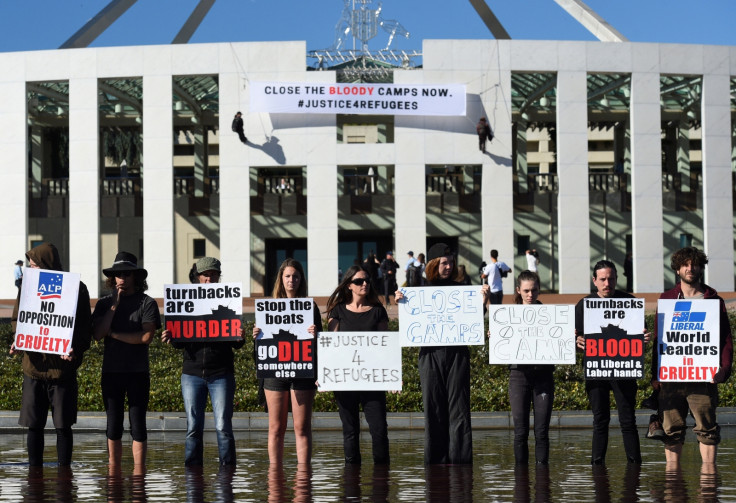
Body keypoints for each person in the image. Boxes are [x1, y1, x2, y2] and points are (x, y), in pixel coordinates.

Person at [396, 243, 490, 464]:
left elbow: (473, 320)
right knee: (433, 409)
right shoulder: (418, 290)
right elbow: (410, 322)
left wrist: (483, 301)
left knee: (459, 410)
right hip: (429, 355)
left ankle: (461, 462)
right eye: (443, 262)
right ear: (433, 264)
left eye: (451, 262)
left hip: (458, 354)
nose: (448, 266)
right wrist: (399, 301)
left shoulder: (463, 287)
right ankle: (436, 463)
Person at [9, 243, 92, 466]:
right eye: (30, 265)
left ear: (47, 265)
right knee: (34, 425)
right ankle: (34, 476)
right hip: (34, 368)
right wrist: (19, 339)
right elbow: (18, 319)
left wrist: (75, 348)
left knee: (63, 426)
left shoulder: (77, 289)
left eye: (34, 265)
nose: (31, 269)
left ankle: (65, 476)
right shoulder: (27, 286)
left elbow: (85, 329)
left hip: (62, 371)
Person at [651, 247, 732, 467]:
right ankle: (673, 483)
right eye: (685, 264)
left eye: (695, 264)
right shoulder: (667, 299)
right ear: (677, 269)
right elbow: (660, 339)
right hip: (671, 379)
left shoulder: (713, 300)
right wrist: (655, 375)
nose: (690, 268)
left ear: (701, 267)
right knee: (671, 430)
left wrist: (724, 369)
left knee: (707, 429)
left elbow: (725, 339)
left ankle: (708, 484)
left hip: (703, 379)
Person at [161, 257, 245, 466]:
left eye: (213, 274)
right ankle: (192, 475)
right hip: (192, 373)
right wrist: (171, 338)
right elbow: (180, 344)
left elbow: (236, 344)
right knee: (193, 427)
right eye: (205, 275)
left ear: (218, 277)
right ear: (198, 277)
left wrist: (240, 337)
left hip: (222, 373)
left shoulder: (229, 302)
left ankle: (227, 475)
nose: (209, 279)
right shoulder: (185, 303)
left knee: (223, 426)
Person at [574, 260, 649, 465]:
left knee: (628, 420)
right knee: (600, 420)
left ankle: (635, 467)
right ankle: (597, 467)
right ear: (594, 281)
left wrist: (644, 338)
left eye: (611, 279)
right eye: (603, 279)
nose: (607, 283)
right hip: (596, 371)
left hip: (624, 369)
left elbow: (641, 335)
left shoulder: (630, 302)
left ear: (616, 279)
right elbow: (572, 337)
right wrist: (576, 341)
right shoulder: (584, 305)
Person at [93, 251, 161, 467]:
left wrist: (114, 334)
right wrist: (114, 304)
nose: (122, 278)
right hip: (111, 372)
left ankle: (139, 473)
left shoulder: (146, 303)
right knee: (113, 424)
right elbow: (96, 334)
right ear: (112, 278)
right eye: (118, 274)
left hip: (137, 372)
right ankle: (114, 470)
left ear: (136, 277)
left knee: (137, 423)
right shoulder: (104, 304)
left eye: (127, 273)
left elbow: (146, 337)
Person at [253, 258, 320, 465]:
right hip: (274, 373)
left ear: (302, 279)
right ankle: (275, 476)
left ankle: (303, 477)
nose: (292, 280)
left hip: (302, 372)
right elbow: (260, 349)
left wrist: (316, 334)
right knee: (275, 428)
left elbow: (322, 343)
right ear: (281, 280)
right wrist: (256, 335)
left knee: (301, 427)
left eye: (296, 276)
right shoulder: (269, 307)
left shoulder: (310, 307)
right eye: (288, 276)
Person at [326, 265, 390, 465]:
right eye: (359, 281)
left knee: (379, 430)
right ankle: (351, 483)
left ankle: (382, 479)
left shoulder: (378, 311)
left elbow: (385, 347)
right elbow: (331, 347)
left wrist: (392, 375)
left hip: (372, 381)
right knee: (350, 430)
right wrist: (325, 373)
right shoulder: (337, 311)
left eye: (367, 280)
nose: (365, 284)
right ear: (349, 286)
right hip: (345, 380)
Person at [506, 271, 554, 465]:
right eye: (526, 290)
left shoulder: (551, 315)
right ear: (518, 290)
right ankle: (521, 479)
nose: (530, 295)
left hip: (543, 375)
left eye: (534, 290)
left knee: (541, 431)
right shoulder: (508, 316)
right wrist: (496, 336)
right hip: (519, 375)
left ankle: (542, 482)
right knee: (520, 432)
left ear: (539, 290)